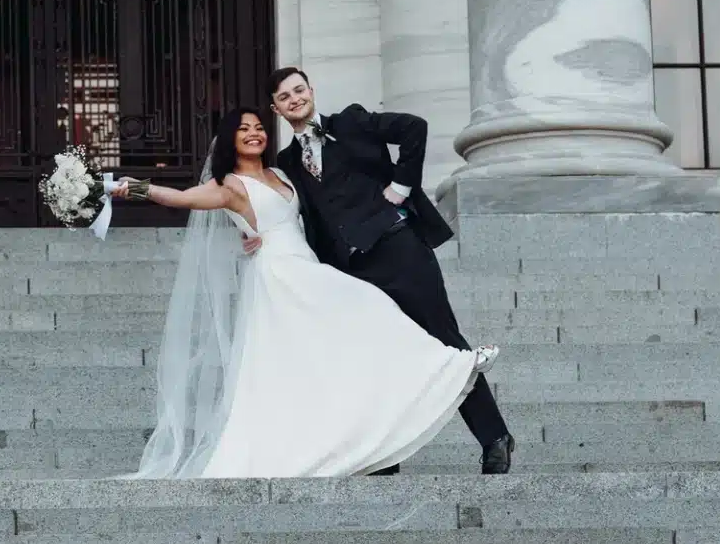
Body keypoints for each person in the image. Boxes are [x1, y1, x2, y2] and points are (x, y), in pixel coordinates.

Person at [112, 107, 499, 478]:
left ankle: (397, 413)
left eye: (258, 127)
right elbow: (179, 198)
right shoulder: (229, 185)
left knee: (344, 347)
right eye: (244, 128)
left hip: (308, 268)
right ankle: (447, 364)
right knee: (361, 316)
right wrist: (133, 188)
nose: (254, 133)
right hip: (279, 279)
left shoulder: (283, 171)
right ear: (231, 138)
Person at [268, 67, 515, 474]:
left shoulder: (350, 121)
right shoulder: (287, 161)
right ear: (276, 108)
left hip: (399, 249)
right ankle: (385, 457)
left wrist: (401, 186)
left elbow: (414, 128)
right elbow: (300, 213)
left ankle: (495, 438)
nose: (294, 99)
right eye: (284, 96)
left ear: (311, 91)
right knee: (379, 358)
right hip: (351, 271)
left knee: (446, 341)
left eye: (299, 90)